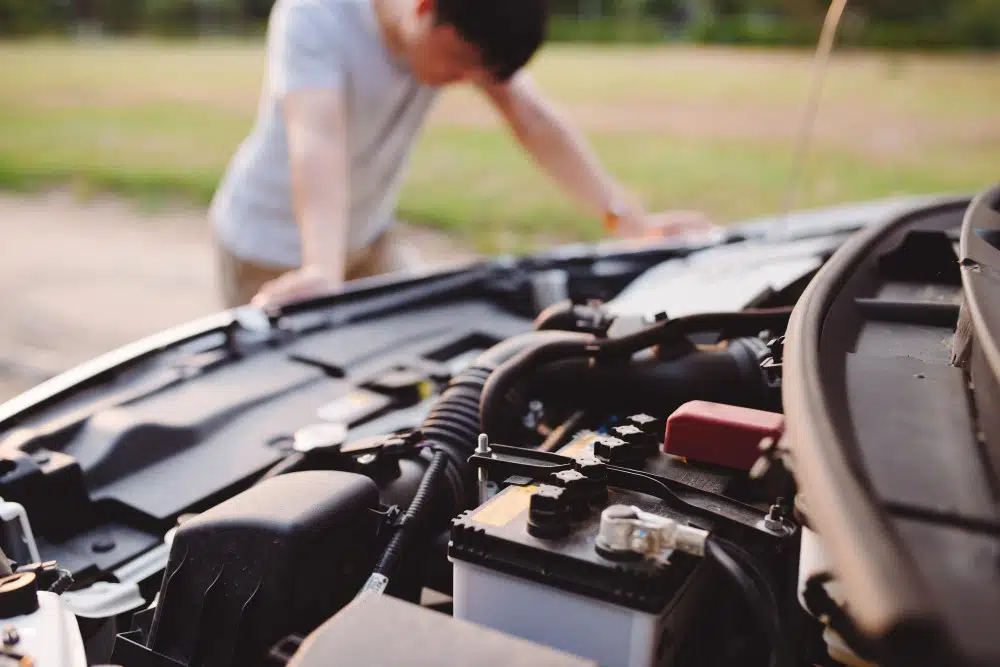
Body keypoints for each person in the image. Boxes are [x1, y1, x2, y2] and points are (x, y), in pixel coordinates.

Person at [209, 0, 716, 310]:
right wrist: (321, 268)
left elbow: (533, 119)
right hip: (271, 248)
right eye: (461, 64)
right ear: (426, 7)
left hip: (367, 238)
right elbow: (316, 140)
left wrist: (630, 223)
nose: (466, 82)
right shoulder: (315, 15)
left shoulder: (457, 27)